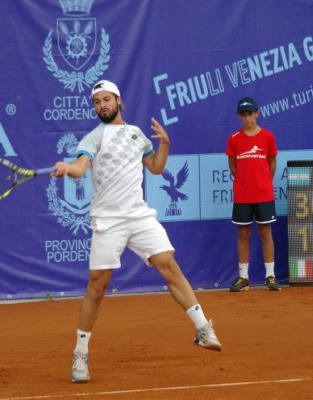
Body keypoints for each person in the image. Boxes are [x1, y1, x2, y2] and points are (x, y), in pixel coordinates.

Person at [53, 79, 222, 384]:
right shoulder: (93, 138)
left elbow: (155, 168)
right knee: (98, 287)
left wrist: (165, 145)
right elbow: (81, 167)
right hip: (108, 219)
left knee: (168, 264)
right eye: (96, 102)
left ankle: (202, 328)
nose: (102, 105)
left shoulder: (136, 134)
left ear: (118, 101)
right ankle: (81, 353)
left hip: (139, 215)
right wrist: (68, 169)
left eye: (106, 99)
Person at [225, 96, 281, 292]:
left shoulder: (268, 137)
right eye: (243, 114)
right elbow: (232, 165)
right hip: (242, 196)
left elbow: (272, 162)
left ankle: (270, 276)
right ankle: (243, 277)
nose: (247, 118)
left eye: (250, 113)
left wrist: (264, 180)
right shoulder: (233, 139)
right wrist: (244, 181)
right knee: (243, 234)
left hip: (264, 194)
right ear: (240, 116)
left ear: (257, 113)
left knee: (266, 233)